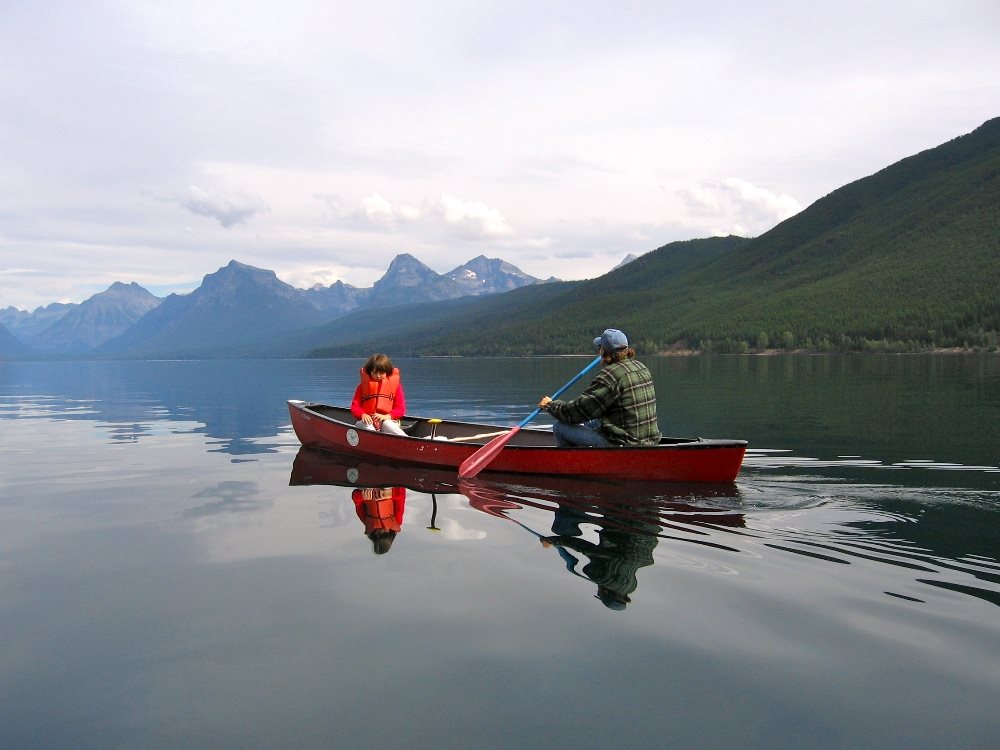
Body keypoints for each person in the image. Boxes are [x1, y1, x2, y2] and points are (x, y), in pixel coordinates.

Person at [538, 328, 660, 447]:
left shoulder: (610, 375)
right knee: (590, 421)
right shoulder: (642, 367)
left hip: (623, 444)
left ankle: (575, 464)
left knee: (560, 427)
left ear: (604, 351)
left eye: (600, 347)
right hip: (649, 440)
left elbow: (579, 410)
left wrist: (550, 405)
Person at [350, 353, 408, 437]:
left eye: (381, 373)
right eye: (374, 373)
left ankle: (408, 441)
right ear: (370, 372)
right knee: (367, 425)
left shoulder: (396, 387)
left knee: (387, 424)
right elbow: (355, 407)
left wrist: (388, 416)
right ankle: (376, 439)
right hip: (367, 421)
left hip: (387, 421)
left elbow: (400, 409)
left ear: (387, 371)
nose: (378, 376)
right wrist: (362, 414)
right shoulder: (362, 387)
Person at [352, 486, 406, 554]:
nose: (382, 530)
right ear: (390, 534)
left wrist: (362, 495)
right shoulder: (397, 520)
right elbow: (402, 494)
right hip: (388, 485)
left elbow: (355, 497)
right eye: (385, 533)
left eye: (379, 534)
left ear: (374, 535)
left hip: (368, 485)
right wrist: (390, 494)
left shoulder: (366, 521)